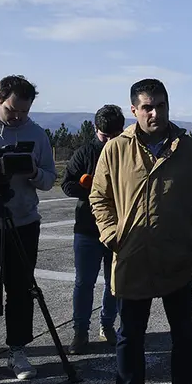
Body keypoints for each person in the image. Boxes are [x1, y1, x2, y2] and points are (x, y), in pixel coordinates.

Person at [89, 78, 192, 384]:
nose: (155, 113)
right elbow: (99, 197)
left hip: (176, 259)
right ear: (134, 110)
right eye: (147, 107)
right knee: (130, 335)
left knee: (184, 333)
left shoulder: (190, 151)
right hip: (131, 259)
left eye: (161, 105)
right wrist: (112, 235)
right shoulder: (115, 150)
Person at [0, 75, 56, 380]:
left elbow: (50, 178)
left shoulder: (37, 134)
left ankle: (17, 350)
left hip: (23, 223)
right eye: (12, 110)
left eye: (24, 112)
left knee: (20, 289)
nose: (17, 118)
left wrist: (31, 171)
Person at [63, 104, 125, 354]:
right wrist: (87, 187)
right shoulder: (85, 152)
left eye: (115, 136)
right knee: (84, 282)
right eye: (104, 136)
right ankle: (80, 332)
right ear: (96, 130)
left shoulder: (127, 152)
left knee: (115, 283)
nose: (110, 141)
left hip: (118, 228)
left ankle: (107, 326)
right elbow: (67, 185)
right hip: (88, 229)